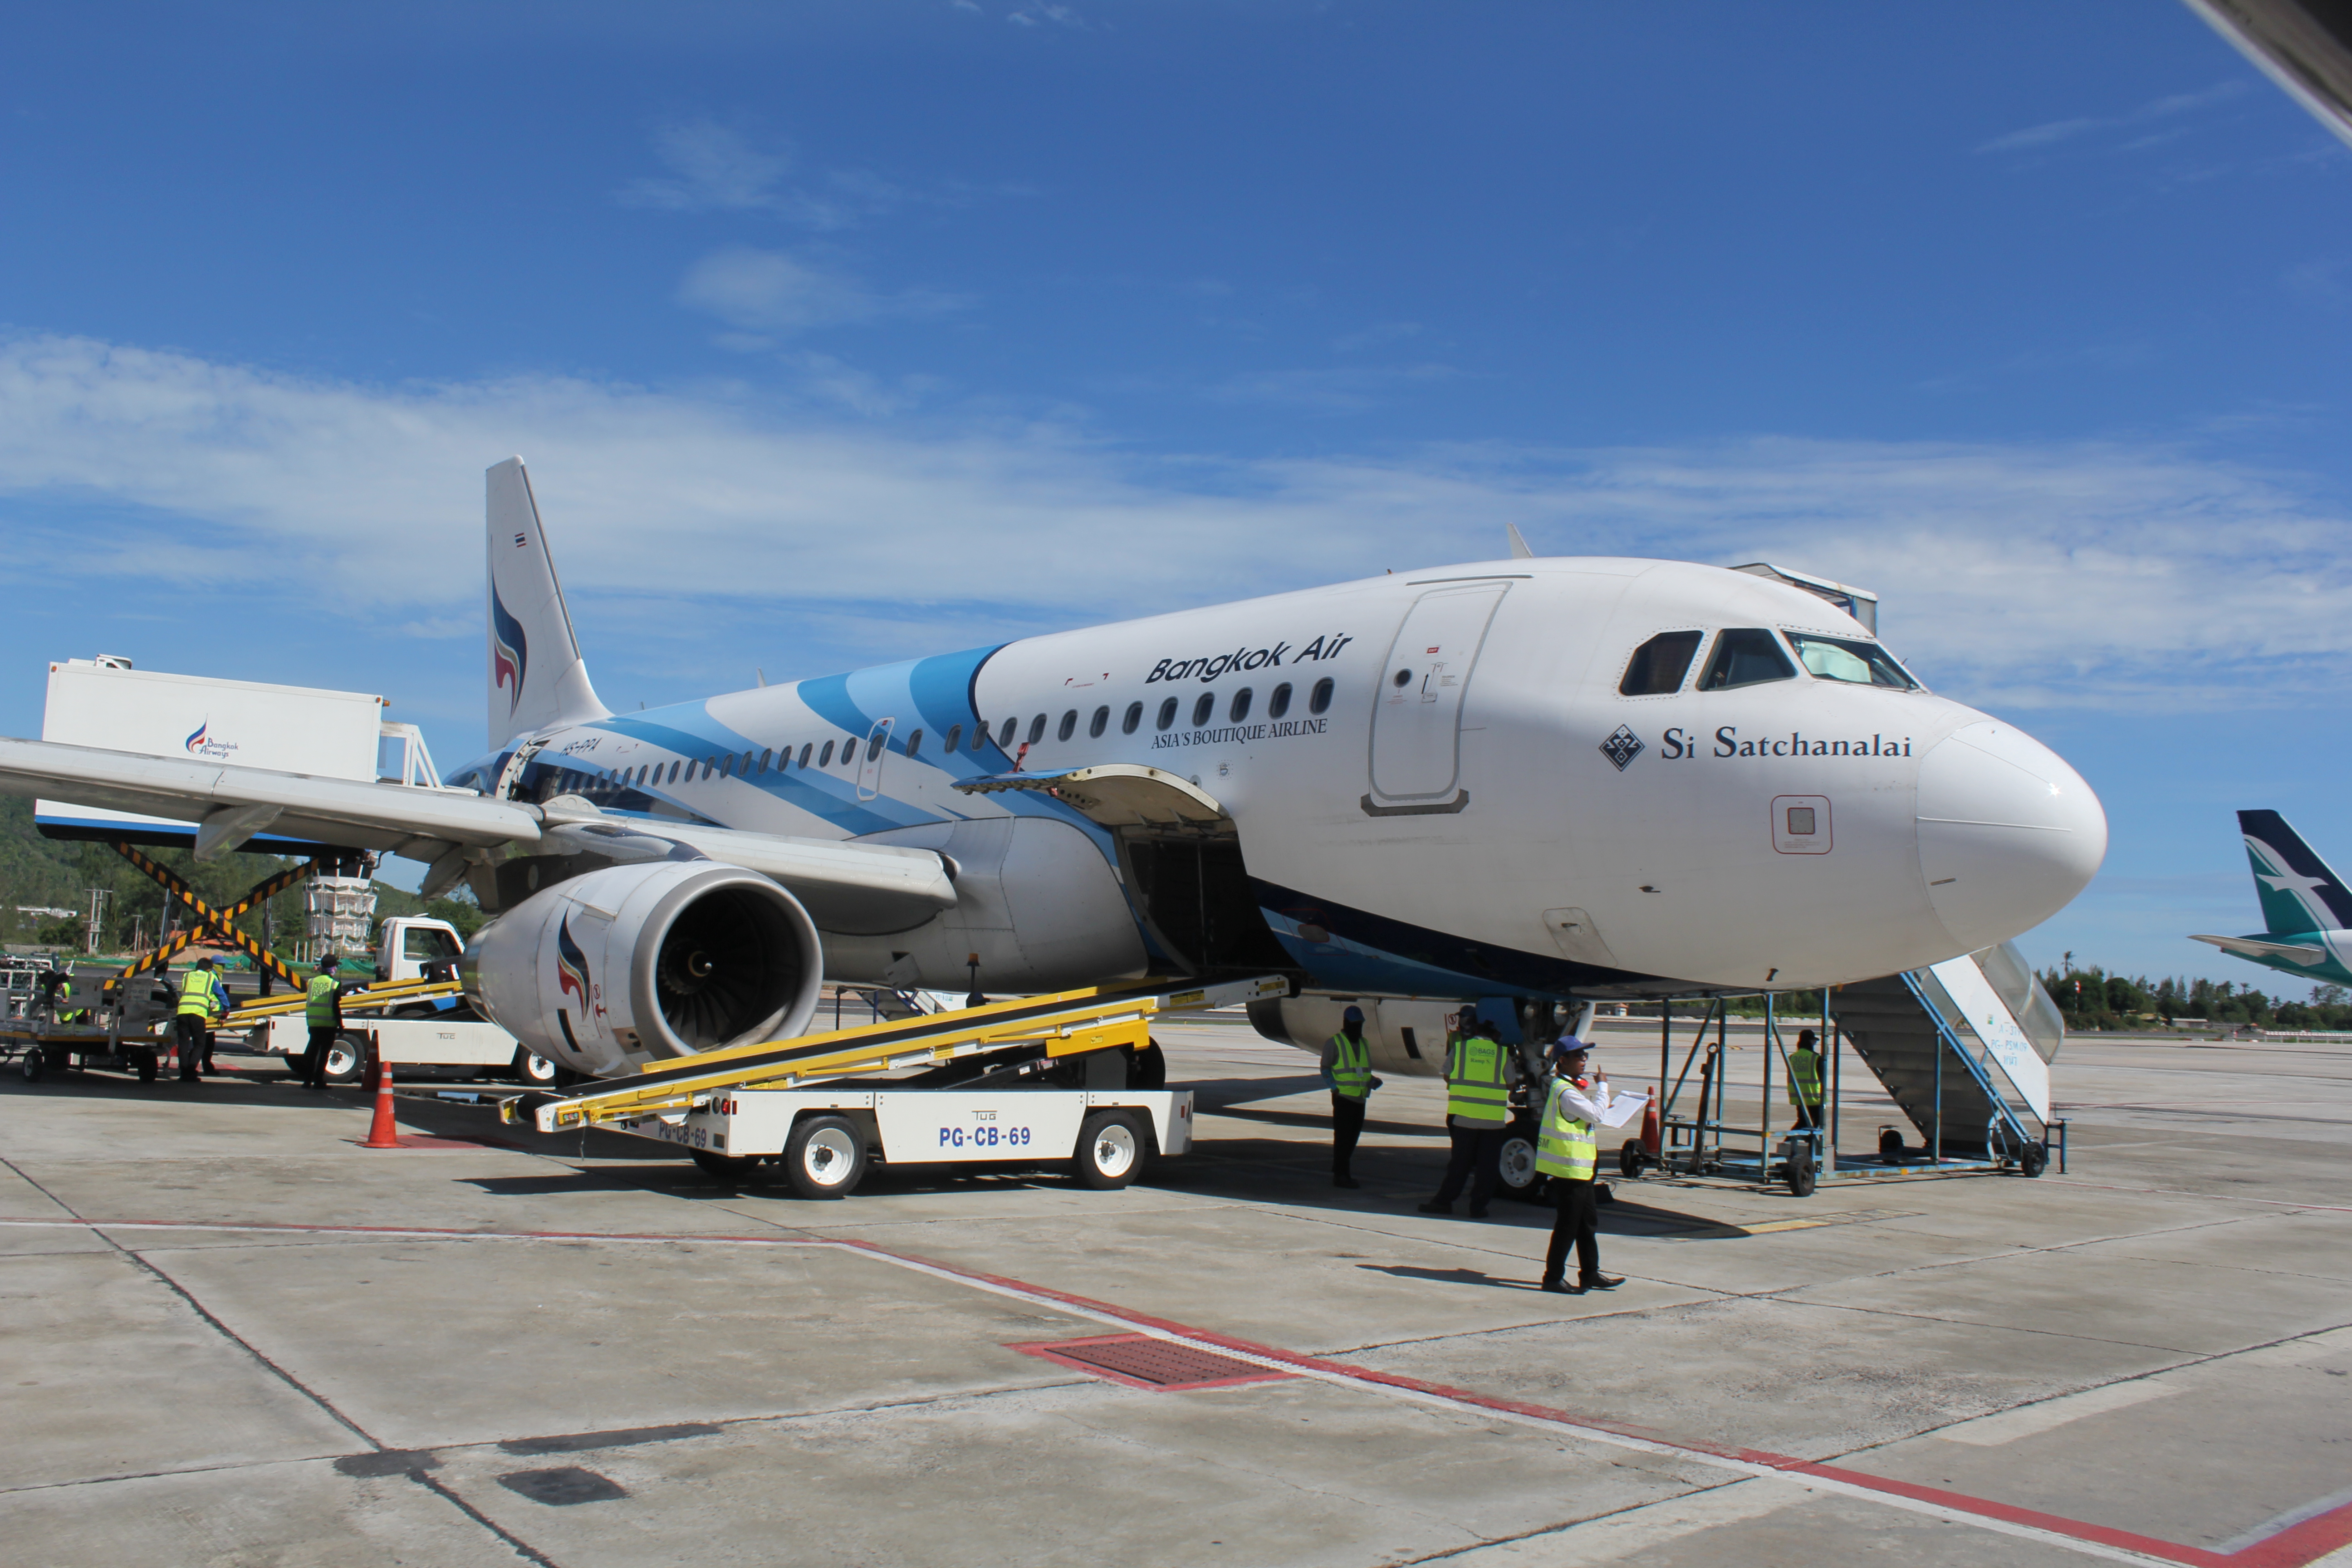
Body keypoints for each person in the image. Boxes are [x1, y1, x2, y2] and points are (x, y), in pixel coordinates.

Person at [1536, 1038, 1624, 1295]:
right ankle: (1552, 1278)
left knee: (1587, 1222)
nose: (1584, 1059)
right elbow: (1596, 1114)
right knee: (1568, 1225)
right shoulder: (1566, 1092)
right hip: (1570, 1169)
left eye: (1585, 1055)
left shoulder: (1569, 1088)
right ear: (1562, 1061)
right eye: (1578, 1056)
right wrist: (1604, 1087)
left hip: (1581, 1169)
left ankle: (1590, 1273)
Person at [1420, 1005, 1511, 1219]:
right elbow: (1511, 1083)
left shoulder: (1460, 1048)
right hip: (1493, 1122)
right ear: (1495, 1035)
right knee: (1487, 1168)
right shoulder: (1502, 1054)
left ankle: (1444, 1202)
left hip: (1464, 1118)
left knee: (1459, 1164)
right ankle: (1478, 1208)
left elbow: (1447, 1076)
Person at [1320, 1004, 1379, 1188]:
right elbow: (1325, 1068)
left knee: (1352, 1139)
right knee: (1343, 1139)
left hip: (1360, 1098)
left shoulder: (1364, 1043)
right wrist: (1334, 1088)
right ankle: (1341, 1175)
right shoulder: (1335, 1043)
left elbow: (1362, 1070)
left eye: (1360, 1024)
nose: (1358, 1028)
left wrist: (1372, 1081)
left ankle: (1340, 1170)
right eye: (1355, 1024)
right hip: (1344, 1099)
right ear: (1346, 1023)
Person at [173, 958, 225, 1083]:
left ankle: (184, 1073)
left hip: (182, 1011)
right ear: (210, 969)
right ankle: (191, 1072)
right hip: (198, 1012)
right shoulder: (210, 977)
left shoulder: (187, 976)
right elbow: (219, 995)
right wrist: (225, 1009)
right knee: (200, 1044)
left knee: (183, 1044)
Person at [301, 956, 346, 1090]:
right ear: (333, 967)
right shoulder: (335, 984)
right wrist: (341, 1025)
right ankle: (319, 1081)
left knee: (312, 1052)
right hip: (328, 1023)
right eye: (336, 966)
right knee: (323, 1054)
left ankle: (307, 1081)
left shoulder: (311, 982)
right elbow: (336, 1007)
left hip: (313, 1022)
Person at [1788, 1028, 1825, 1133]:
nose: (1815, 1043)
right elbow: (1822, 1078)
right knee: (1814, 1124)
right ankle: (1789, 1141)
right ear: (1809, 1041)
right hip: (1813, 1096)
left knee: (1803, 1122)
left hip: (1799, 1095)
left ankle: (1795, 1143)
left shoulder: (1793, 1057)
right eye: (1814, 1040)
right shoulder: (1815, 1058)